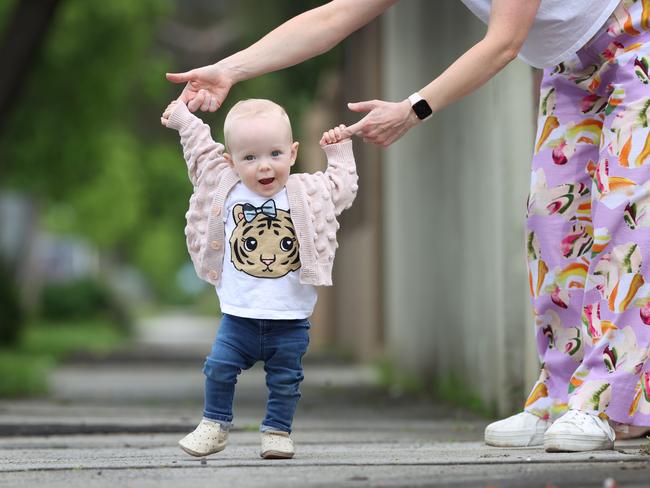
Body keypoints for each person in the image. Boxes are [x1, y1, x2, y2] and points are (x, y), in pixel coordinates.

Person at [166, 0, 650, 452]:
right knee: (550, 226)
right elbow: (334, 17)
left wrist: (414, 107)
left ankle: (604, 402)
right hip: (570, 65)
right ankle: (561, 395)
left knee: (620, 219)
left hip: (633, 40)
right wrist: (229, 68)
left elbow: (503, 42)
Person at [161, 97, 357, 459]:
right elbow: (202, 153)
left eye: (274, 154)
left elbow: (341, 189)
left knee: (285, 381)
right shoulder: (225, 186)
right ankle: (214, 424)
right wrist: (184, 120)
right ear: (231, 161)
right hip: (239, 317)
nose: (264, 166)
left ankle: (277, 431)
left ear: (293, 152)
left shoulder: (306, 192)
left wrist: (339, 150)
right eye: (249, 158)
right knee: (218, 368)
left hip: (291, 320)